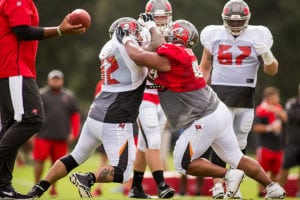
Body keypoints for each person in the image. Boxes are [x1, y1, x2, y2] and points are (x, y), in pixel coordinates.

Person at [119, 15, 286, 199]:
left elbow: (140, 56)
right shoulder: (180, 56)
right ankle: (273, 187)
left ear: (176, 36)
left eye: (170, 32)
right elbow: (150, 64)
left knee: (183, 163)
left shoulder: (176, 54)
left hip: (203, 117)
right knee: (236, 157)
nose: (165, 34)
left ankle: (229, 175)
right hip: (216, 111)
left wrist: (127, 38)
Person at [27, 17, 165, 198]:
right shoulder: (131, 53)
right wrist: (153, 28)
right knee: (123, 174)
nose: (139, 35)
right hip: (116, 120)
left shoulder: (107, 48)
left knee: (74, 157)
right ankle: (88, 178)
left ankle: (37, 190)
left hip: (95, 115)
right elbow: (154, 49)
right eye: (136, 33)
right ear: (128, 34)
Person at [0, 0, 86, 199]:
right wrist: (59, 30)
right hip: (15, 69)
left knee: (13, 123)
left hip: (15, 69)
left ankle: (3, 187)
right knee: (32, 119)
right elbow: (21, 31)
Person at [198, 0, 279, 198]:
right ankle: (218, 186)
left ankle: (235, 189)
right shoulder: (213, 35)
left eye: (239, 21)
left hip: (245, 96)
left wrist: (266, 54)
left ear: (247, 19)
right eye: (231, 22)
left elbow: (272, 70)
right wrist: (198, 91)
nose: (235, 25)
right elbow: (205, 67)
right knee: (218, 141)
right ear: (224, 20)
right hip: (219, 94)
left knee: (239, 144)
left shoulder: (258, 36)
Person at [128, 0, 174, 198]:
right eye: (156, 17)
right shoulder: (140, 34)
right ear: (148, 18)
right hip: (144, 93)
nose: (160, 21)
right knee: (153, 140)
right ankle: (161, 185)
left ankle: (135, 188)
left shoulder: (174, 33)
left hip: (162, 95)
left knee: (144, 145)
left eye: (163, 17)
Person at [32, 69, 81, 197]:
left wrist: (74, 133)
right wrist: (31, 133)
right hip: (43, 135)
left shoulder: (69, 96)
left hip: (61, 136)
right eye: (53, 79)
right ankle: (36, 185)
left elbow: (75, 116)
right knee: (39, 161)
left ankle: (53, 188)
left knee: (58, 164)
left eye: (58, 79)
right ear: (49, 80)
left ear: (62, 80)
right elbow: (33, 114)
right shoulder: (41, 94)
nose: (56, 81)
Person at [252, 86, 288, 197]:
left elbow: (286, 120)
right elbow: (256, 127)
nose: (278, 98)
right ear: (269, 97)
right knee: (262, 171)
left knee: (276, 171)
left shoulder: (279, 109)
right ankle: (260, 192)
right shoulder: (261, 110)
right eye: (276, 96)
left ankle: (271, 191)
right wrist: (270, 128)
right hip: (265, 146)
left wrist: (280, 114)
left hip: (278, 146)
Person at [279, 82, 300, 197]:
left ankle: (299, 192)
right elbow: (291, 116)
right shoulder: (292, 103)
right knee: (285, 168)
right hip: (292, 142)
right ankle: (279, 191)